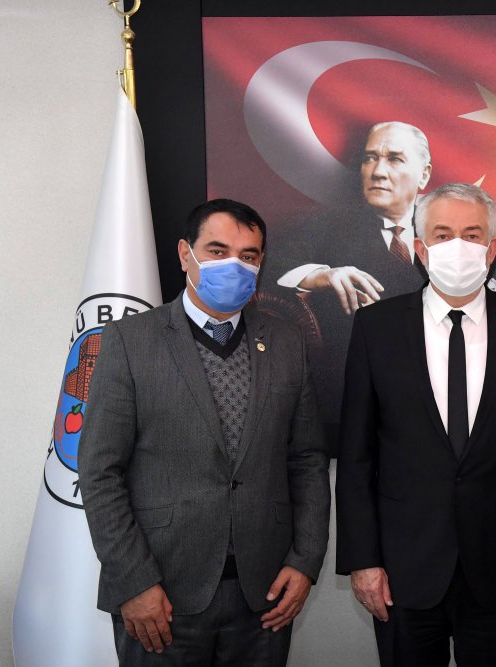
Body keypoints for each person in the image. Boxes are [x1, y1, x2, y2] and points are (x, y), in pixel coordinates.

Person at [79, 199, 330, 665]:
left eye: (248, 255)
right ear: (184, 254)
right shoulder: (129, 341)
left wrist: (305, 561)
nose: (233, 265)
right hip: (160, 595)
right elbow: (99, 472)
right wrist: (134, 582)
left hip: (264, 594)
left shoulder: (286, 341)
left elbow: (307, 459)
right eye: (217, 251)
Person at [335, 183, 496, 666]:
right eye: (442, 235)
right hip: (402, 571)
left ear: (493, 249)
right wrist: (363, 560)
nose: (457, 246)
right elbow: (356, 457)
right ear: (421, 249)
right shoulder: (376, 327)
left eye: (472, 234)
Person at [265, 121, 496, 427]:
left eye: (394, 159)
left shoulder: (444, 224)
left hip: (454, 396)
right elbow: (269, 263)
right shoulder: (330, 226)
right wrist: (320, 275)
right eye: (370, 158)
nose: (378, 172)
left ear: (424, 175)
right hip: (366, 401)